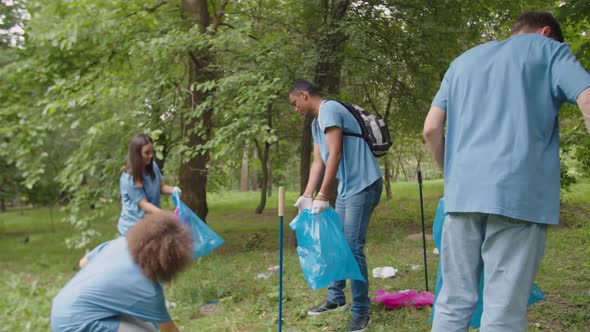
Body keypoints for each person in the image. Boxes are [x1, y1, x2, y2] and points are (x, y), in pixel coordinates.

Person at [423, 11, 590, 332]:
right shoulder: (549, 50)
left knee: (452, 301)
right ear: (546, 32)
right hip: (519, 198)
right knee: (503, 312)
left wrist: (454, 176)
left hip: (461, 200)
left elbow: (431, 129)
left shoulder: (462, 62)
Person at [289, 80, 383, 332]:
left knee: (352, 248)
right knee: (336, 242)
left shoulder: (329, 110)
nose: (295, 108)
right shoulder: (315, 122)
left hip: (363, 184)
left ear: (304, 95)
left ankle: (362, 311)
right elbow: (319, 160)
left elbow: (336, 152)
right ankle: (336, 297)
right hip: (346, 188)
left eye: (294, 102)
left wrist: (323, 195)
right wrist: (308, 194)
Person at [51, 212, 193, 332]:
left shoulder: (119, 243)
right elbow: (169, 329)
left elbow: (83, 263)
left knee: (147, 326)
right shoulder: (148, 290)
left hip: (61, 307)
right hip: (75, 325)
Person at [117, 134, 180, 236]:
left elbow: (161, 187)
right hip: (133, 228)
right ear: (137, 154)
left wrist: (173, 190)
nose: (151, 156)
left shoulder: (153, 167)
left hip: (151, 223)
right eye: (147, 153)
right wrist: (165, 215)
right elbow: (144, 204)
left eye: (152, 152)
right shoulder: (128, 177)